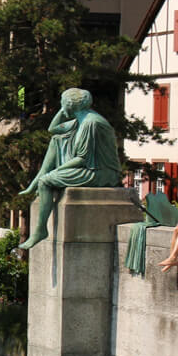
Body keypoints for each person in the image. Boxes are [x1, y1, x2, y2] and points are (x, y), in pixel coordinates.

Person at [20, 87, 124, 250]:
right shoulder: (80, 120)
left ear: (70, 104)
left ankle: (40, 230)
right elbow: (53, 129)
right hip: (91, 167)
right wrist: (64, 110)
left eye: (63, 102)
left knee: (46, 182)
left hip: (101, 172)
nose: (61, 106)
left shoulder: (91, 122)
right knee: (56, 139)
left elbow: (82, 159)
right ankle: (36, 181)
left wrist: (57, 171)